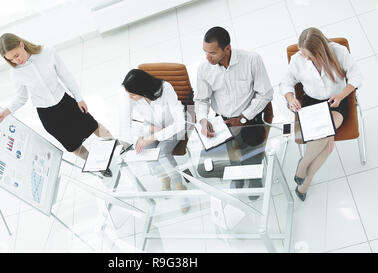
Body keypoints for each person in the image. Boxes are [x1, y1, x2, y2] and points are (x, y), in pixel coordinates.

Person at [0, 33, 115, 176]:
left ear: (21, 44)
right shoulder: (15, 73)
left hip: (65, 102)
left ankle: (116, 146)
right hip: (48, 116)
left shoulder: (47, 53)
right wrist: (5, 112)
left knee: (93, 126)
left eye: (17, 55)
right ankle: (98, 165)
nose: (16, 60)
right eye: (11, 59)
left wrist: (79, 98)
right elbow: (21, 98)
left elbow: (65, 75)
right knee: (73, 145)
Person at [280, 27, 362, 201]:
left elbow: (356, 77)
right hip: (312, 102)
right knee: (327, 145)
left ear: (322, 51)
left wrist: (340, 96)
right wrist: (290, 98)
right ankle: (305, 179)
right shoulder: (298, 59)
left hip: (336, 102)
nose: (306, 59)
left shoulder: (339, 52)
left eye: (310, 55)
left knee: (325, 133)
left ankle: (303, 169)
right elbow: (285, 83)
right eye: (304, 55)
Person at [194, 26, 274, 200]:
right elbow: (201, 100)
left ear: (227, 48)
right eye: (205, 52)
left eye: (213, 53)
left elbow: (266, 93)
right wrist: (202, 120)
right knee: (214, 159)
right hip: (222, 120)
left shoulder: (252, 60)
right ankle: (237, 173)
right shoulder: (204, 68)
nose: (207, 58)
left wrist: (244, 117)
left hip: (248, 117)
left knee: (250, 147)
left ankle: (252, 175)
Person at [121, 69, 190, 213]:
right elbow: (126, 123)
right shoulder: (133, 97)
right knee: (146, 151)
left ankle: (179, 187)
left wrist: (153, 137)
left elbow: (179, 123)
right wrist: (142, 134)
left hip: (174, 128)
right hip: (153, 127)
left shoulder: (166, 89)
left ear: (142, 89)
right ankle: (164, 178)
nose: (130, 97)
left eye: (132, 94)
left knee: (163, 153)